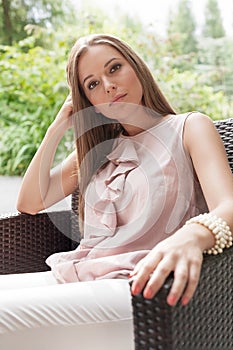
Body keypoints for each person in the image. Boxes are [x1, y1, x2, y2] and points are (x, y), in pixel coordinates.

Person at [1, 33, 233, 348]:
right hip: (77, 275)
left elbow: (228, 205)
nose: (108, 85)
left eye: (114, 68)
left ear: (136, 67)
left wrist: (190, 237)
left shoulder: (189, 128)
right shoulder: (100, 150)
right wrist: (57, 127)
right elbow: (30, 202)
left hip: (142, 285)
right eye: (92, 84)